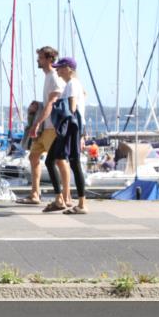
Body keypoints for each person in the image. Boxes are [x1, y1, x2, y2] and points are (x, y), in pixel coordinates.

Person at [17, 46, 64, 205]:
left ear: (50, 59)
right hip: (45, 127)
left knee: (58, 161)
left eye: (41, 57)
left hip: (51, 127)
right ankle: (35, 194)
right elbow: (48, 103)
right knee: (33, 157)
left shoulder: (54, 78)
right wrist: (38, 104)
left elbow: (52, 104)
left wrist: (36, 124)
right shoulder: (48, 77)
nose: (38, 60)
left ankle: (66, 196)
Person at [44, 57, 88, 214]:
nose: (57, 70)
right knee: (58, 161)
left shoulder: (72, 84)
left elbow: (72, 107)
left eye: (60, 68)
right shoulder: (75, 84)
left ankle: (78, 204)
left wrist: (62, 122)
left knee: (70, 162)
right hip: (73, 126)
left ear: (69, 68)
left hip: (70, 126)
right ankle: (62, 199)